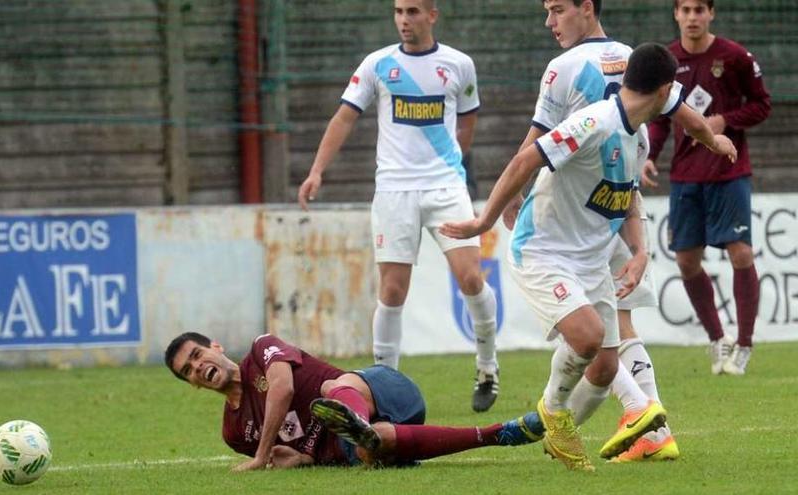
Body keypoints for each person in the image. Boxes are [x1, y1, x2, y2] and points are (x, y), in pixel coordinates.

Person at [441, 43, 737, 470]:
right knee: (587, 335)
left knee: (602, 370)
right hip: (543, 251)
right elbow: (527, 158)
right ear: (665, 89)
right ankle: (578, 414)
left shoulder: (636, 138)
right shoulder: (593, 123)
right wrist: (483, 221)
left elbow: (627, 196)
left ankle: (559, 415)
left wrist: (639, 252)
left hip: (592, 259)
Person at [297, 0, 500, 413]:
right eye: (398, 12)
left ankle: (487, 367)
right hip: (394, 191)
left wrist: (454, 160)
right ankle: (380, 391)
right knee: (391, 290)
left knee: (471, 278)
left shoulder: (458, 64)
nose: (404, 20)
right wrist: (317, 170)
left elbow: (469, 117)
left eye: (412, 12)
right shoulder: (377, 65)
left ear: (432, 15)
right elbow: (343, 118)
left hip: (445, 188)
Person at [164, 332, 543, 471]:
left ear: (215, 347)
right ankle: (498, 433)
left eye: (198, 355)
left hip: (382, 388)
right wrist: (295, 459)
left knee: (333, 390)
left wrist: (262, 456)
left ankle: (353, 418)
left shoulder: (261, 349)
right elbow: (299, 456)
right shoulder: (233, 432)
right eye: (188, 371)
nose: (198, 367)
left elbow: (282, 388)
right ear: (193, 385)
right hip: (356, 445)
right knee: (369, 447)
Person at [642, 0, 771, 376]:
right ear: (676, 15)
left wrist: (723, 121)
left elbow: (763, 105)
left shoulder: (734, 57)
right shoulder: (667, 62)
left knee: (741, 254)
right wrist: (649, 155)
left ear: (711, 13)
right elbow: (660, 118)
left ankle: (744, 344)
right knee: (686, 261)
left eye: (700, 9)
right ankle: (718, 339)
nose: (693, 17)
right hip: (685, 175)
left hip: (729, 171)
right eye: (686, 10)